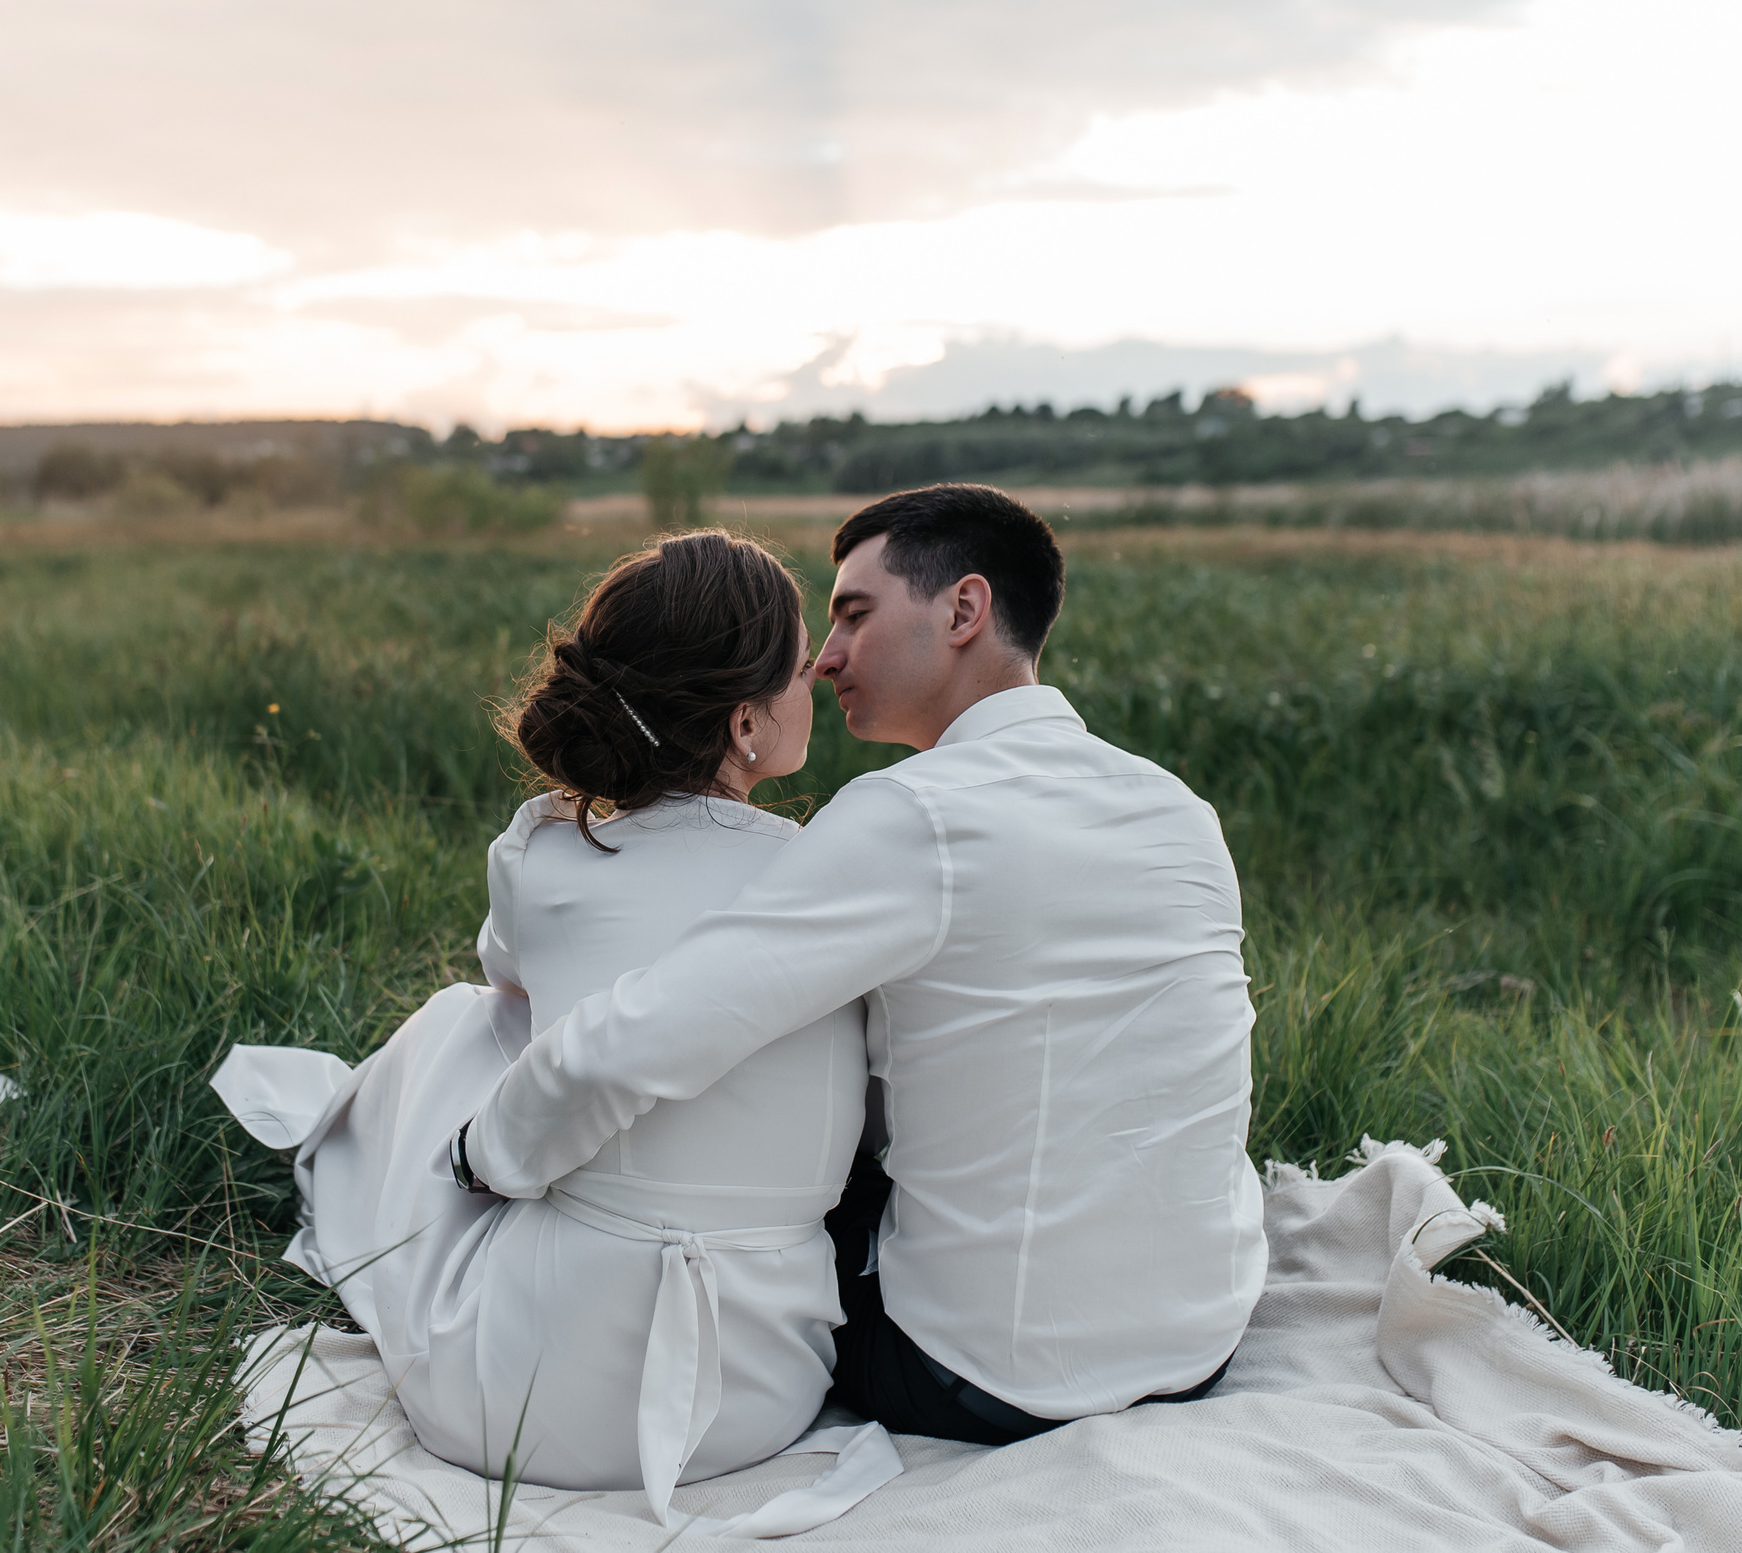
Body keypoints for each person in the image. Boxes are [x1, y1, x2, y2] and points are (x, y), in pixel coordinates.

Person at [461, 483, 1268, 1443]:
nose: (827, 655)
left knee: (776, 1136)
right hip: (1204, 1336)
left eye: (853, 613)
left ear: (964, 610)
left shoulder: (912, 813)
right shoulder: (1177, 805)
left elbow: (649, 1030)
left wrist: (483, 1152)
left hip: (985, 1373)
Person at [211, 531, 899, 1537]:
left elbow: (512, 980)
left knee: (472, 1016)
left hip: (522, 1405)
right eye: (801, 662)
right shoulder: (836, 879)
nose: (820, 672)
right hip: (761, 1394)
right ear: (746, 720)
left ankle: (363, 1158)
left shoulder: (543, 852)